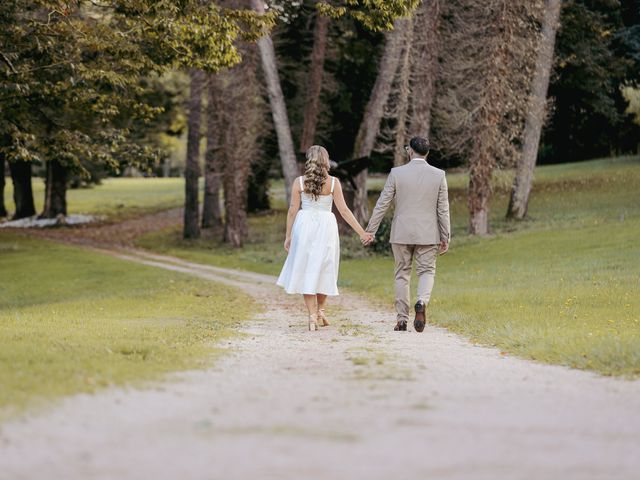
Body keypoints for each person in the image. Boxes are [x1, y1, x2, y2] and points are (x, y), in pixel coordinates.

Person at [277, 145, 374, 331]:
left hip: (304, 225)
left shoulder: (299, 182)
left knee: (307, 269)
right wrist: (362, 232)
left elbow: (292, 210)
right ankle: (320, 310)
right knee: (325, 267)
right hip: (326, 227)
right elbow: (344, 211)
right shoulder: (333, 183)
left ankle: (312, 315)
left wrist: (288, 235)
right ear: (326, 160)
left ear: (309, 160)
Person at [365, 136, 451, 333]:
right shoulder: (439, 175)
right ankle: (421, 301)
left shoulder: (397, 173)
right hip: (428, 232)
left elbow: (383, 203)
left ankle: (402, 320)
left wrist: (371, 230)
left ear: (410, 151)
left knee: (402, 274)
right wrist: (446, 235)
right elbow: (443, 209)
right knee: (427, 271)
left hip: (401, 232)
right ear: (427, 153)